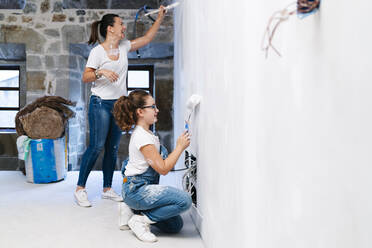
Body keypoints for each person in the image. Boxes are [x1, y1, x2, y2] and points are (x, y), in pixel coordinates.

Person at [74, 6, 167, 207]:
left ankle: (107, 188)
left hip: (118, 105)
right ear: (110, 28)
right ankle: (80, 189)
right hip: (100, 103)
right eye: (120, 24)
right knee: (97, 145)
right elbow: (85, 76)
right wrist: (102, 72)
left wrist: (159, 18)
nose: (123, 27)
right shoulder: (98, 52)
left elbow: (146, 39)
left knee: (112, 147)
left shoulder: (124, 46)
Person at [112, 90, 192, 242]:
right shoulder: (142, 137)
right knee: (184, 201)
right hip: (137, 190)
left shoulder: (147, 134)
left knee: (175, 225)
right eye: (153, 107)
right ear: (140, 112)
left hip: (142, 188)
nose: (157, 110)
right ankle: (139, 220)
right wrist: (180, 147)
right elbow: (163, 169)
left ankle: (132, 210)